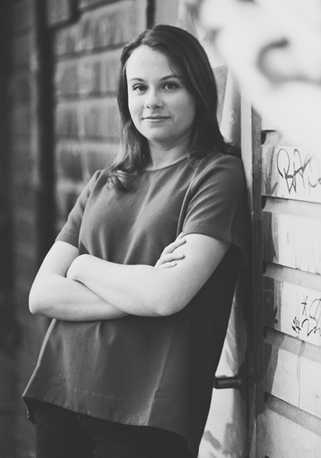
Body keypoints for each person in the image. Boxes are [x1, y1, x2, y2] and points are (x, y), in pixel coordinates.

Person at [22, 24, 249, 458]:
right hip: (60, 391)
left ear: (198, 91)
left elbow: (165, 297)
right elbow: (42, 295)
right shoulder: (103, 183)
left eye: (170, 85)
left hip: (147, 411)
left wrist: (83, 267)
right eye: (139, 87)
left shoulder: (216, 176)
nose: (152, 101)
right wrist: (139, 290)